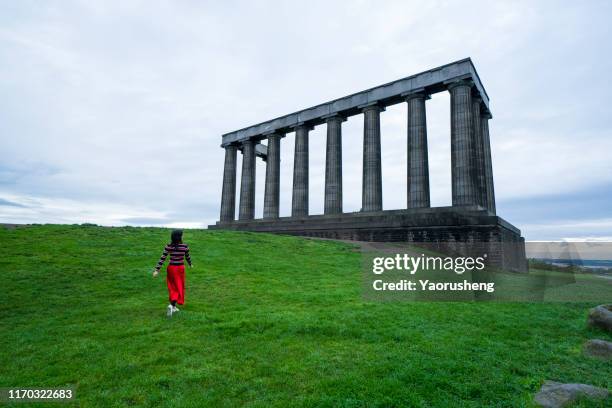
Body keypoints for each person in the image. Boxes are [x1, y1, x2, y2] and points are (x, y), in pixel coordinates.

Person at [153, 229, 192, 317]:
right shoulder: (185, 246)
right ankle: (172, 305)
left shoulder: (168, 246)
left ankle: (173, 306)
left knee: (172, 287)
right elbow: (187, 257)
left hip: (171, 269)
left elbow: (162, 258)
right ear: (180, 236)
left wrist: (157, 270)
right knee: (179, 287)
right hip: (180, 269)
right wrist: (190, 264)